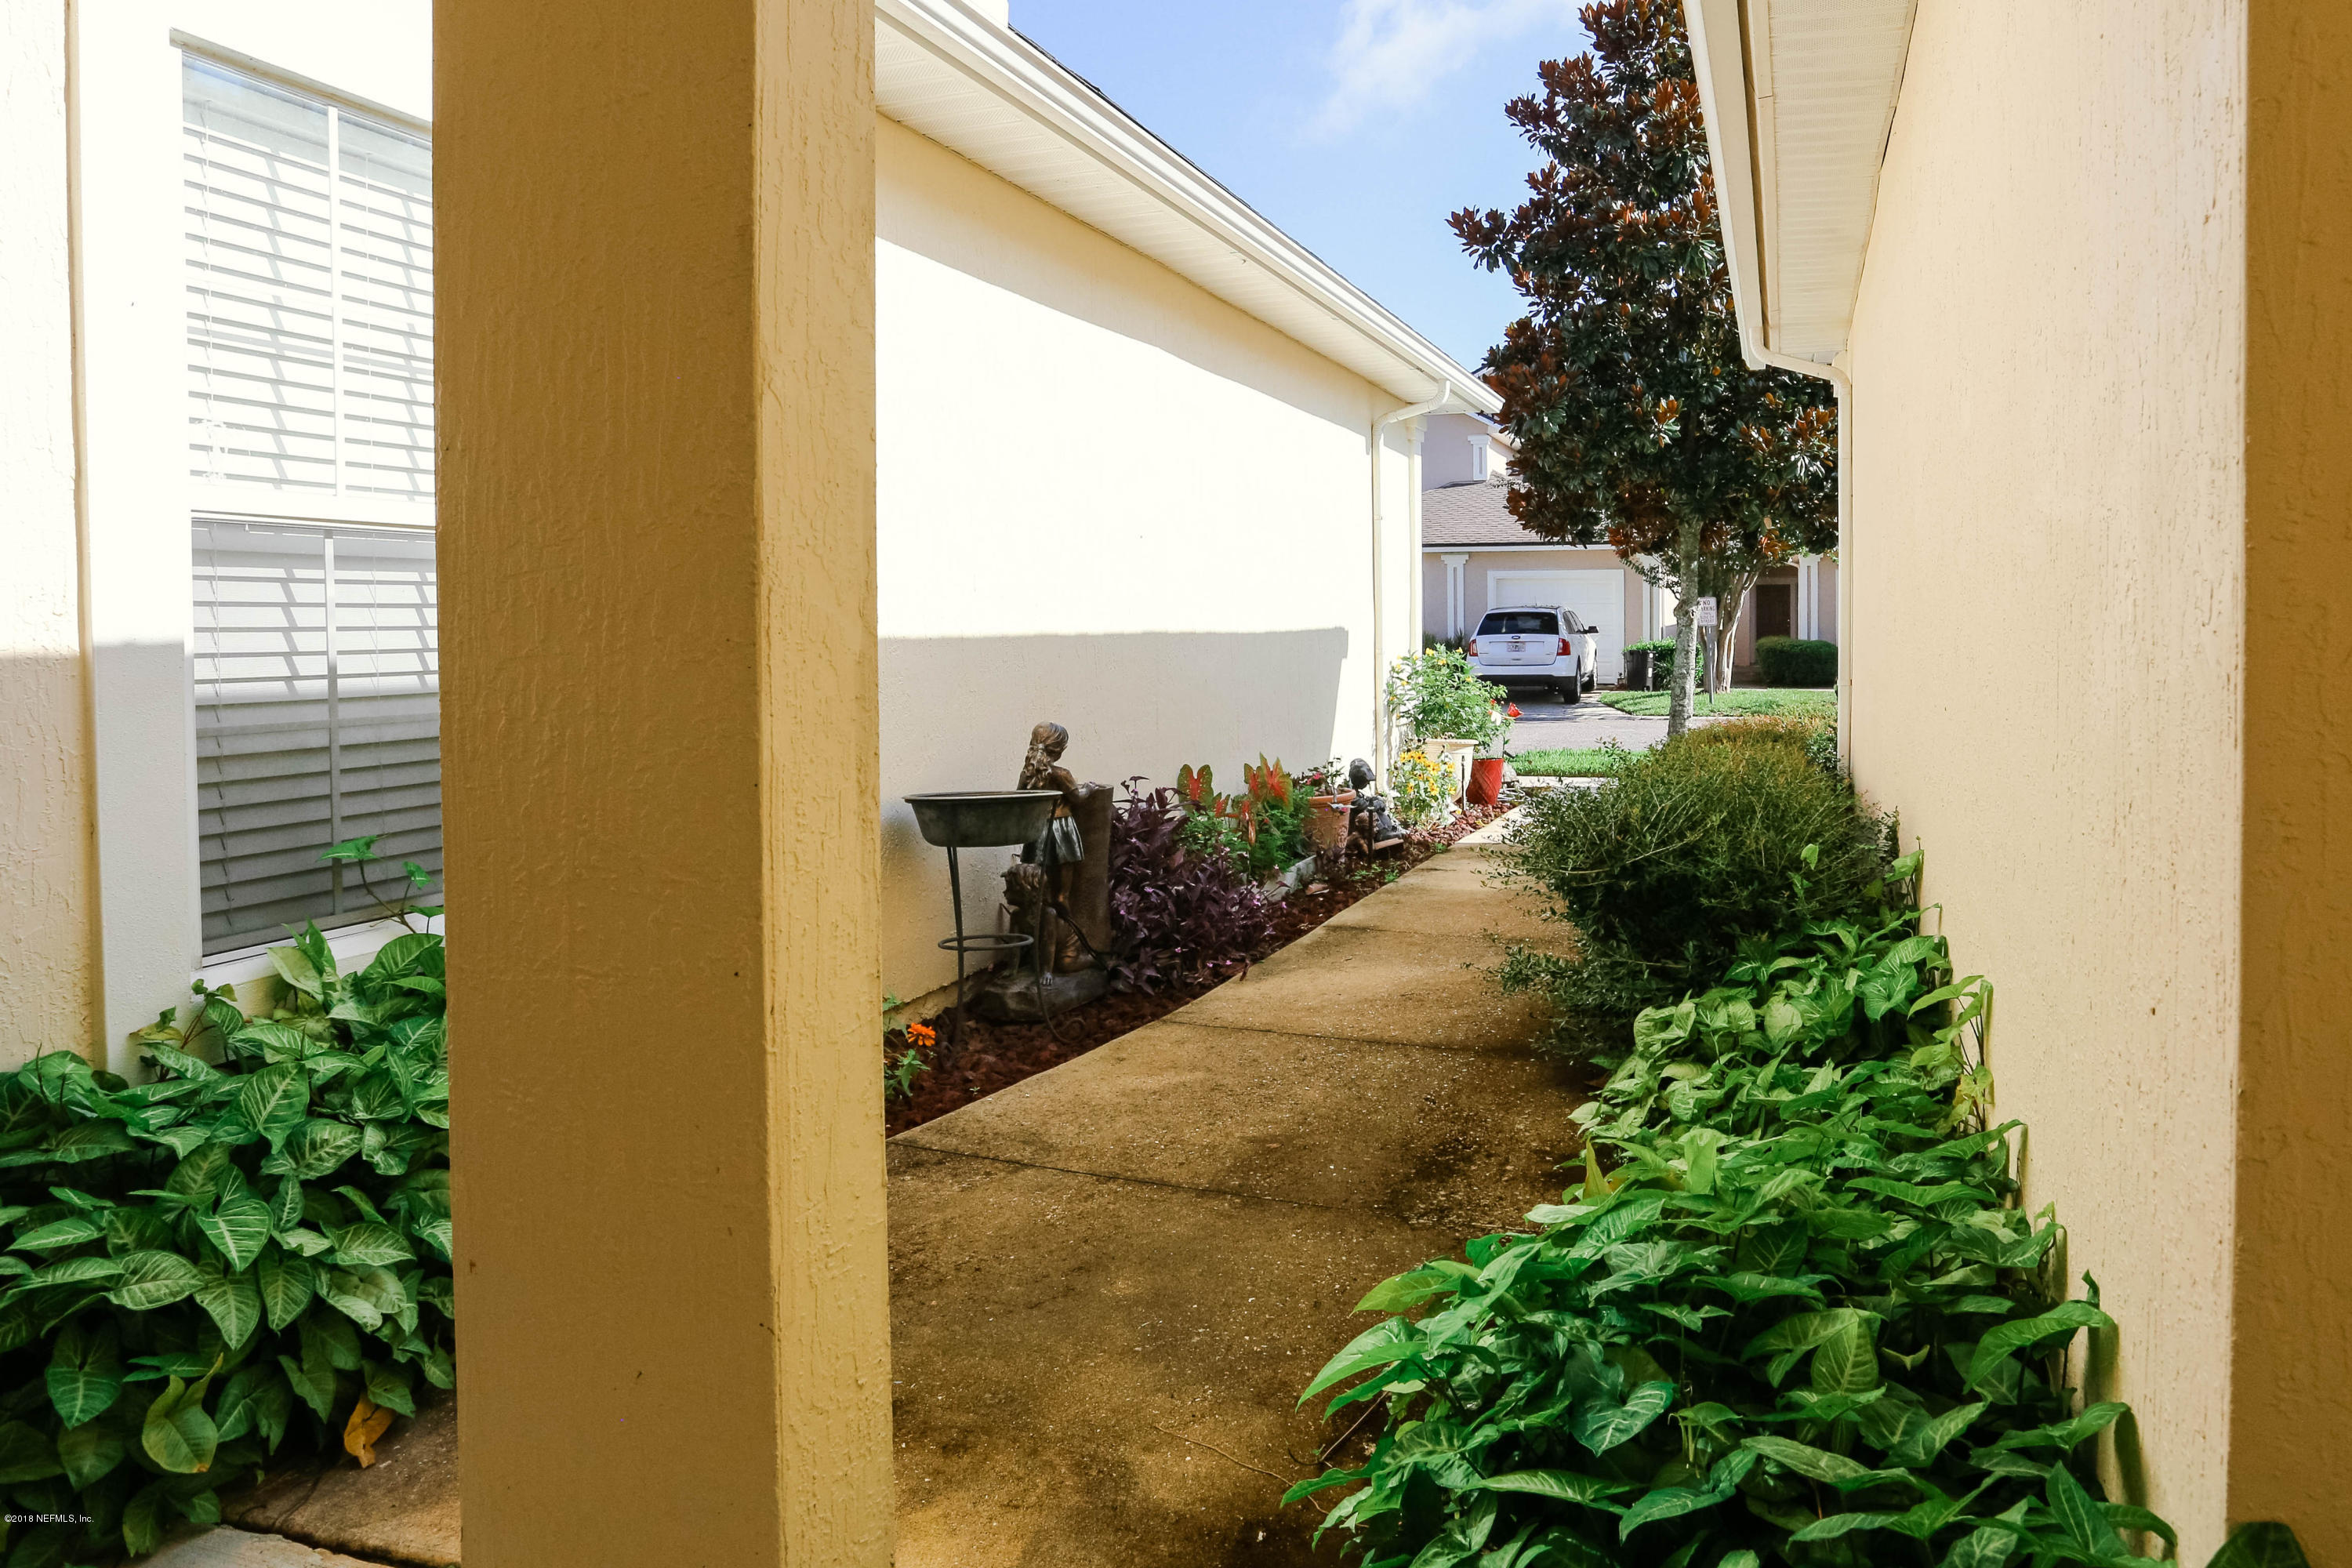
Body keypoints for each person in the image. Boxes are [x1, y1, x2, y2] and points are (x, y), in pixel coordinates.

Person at [1018, 723, 1103, 971]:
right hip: (1061, 832)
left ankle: (1038, 951)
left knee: (1038, 892)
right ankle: (1069, 947)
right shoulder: (1060, 774)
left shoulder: (1028, 774)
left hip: (1036, 833)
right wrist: (1090, 788)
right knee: (1062, 895)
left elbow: (1020, 798)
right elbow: (1078, 797)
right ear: (1059, 749)